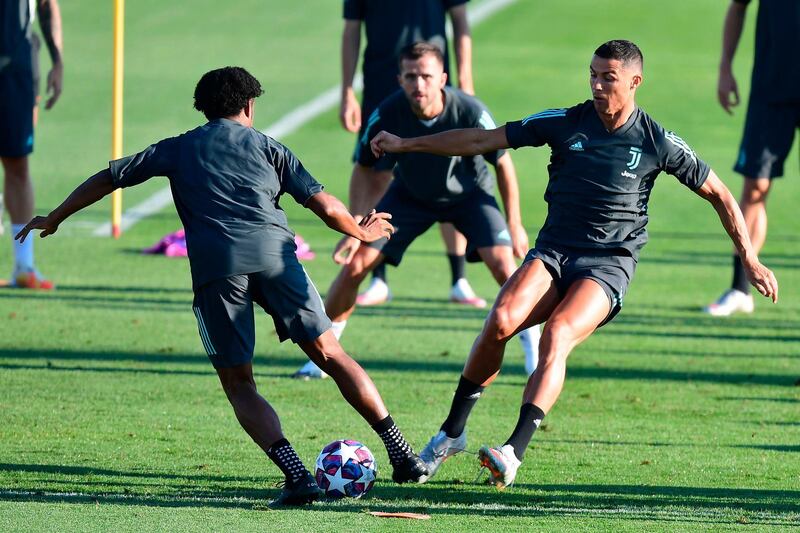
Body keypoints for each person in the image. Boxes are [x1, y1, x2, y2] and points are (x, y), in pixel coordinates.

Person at [370, 40, 778, 488]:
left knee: (558, 332)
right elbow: (481, 139)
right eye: (593, 75)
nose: (598, 85)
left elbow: (720, 192)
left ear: (634, 82)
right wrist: (408, 144)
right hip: (554, 251)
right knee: (501, 320)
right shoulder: (564, 122)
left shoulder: (656, 140)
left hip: (608, 264)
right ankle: (451, 434)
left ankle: (512, 452)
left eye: (609, 78)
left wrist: (750, 258)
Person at [15, 67, 428, 505]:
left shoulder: (179, 147)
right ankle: (402, 453)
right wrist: (358, 231)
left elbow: (109, 177)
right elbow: (322, 203)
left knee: (239, 383)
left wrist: (56, 215)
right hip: (277, 258)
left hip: (218, 268)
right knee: (331, 353)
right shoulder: (271, 148)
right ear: (249, 105)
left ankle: (298, 477)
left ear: (203, 108)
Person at [294, 43, 541, 381]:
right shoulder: (386, 114)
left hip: (470, 196)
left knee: (503, 265)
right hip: (409, 197)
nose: (419, 85)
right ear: (400, 79)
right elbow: (364, 168)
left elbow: (503, 164)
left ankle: (531, 341)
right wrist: (354, 225)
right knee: (356, 265)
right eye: (411, 76)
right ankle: (325, 353)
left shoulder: (470, 110)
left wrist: (514, 223)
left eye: (426, 76)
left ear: (442, 78)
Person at [340, 0, 484, 308]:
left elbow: (460, 20)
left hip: (430, 84)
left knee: (446, 172)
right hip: (381, 85)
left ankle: (458, 279)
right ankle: (378, 278)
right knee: (377, 175)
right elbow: (351, 30)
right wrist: (347, 90)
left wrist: (466, 80)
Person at [704, 0, 800, 316]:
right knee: (755, 188)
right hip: (771, 91)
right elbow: (738, 7)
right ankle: (740, 288)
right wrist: (725, 67)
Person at [0, 0, 63, 289]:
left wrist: (57, 60)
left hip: (16, 67)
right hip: (18, 68)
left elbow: (47, 5)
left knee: (17, 163)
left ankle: (24, 266)